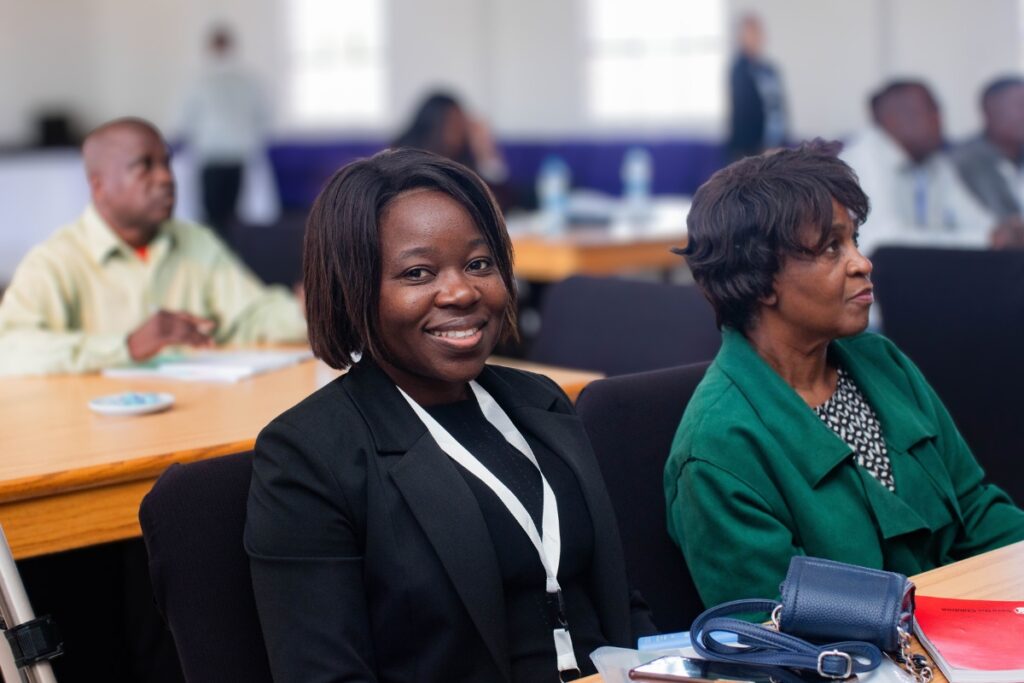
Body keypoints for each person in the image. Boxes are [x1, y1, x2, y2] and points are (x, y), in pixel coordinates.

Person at [245, 148, 654, 682]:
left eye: (479, 264)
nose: (461, 291)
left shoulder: (541, 403)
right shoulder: (308, 456)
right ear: (354, 291)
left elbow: (621, 600)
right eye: (418, 273)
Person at [664, 142, 1024, 609]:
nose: (862, 262)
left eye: (854, 239)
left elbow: (975, 510)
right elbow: (773, 627)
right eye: (832, 247)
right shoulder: (717, 447)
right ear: (761, 279)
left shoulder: (879, 361)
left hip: (968, 635)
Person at [0, 117, 305, 376]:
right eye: (144, 167)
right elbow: (10, 350)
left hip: (193, 426)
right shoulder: (55, 261)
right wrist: (128, 346)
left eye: (166, 163)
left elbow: (249, 317)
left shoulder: (196, 241)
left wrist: (307, 313)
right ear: (99, 186)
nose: (165, 178)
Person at [839, 80, 1011, 256]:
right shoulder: (861, 160)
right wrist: (986, 239)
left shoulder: (936, 161)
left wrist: (1003, 233)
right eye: (929, 112)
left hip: (922, 272)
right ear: (891, 120)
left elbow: (979, 223)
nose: (939, 120)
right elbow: (881, 243)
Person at [180, 26, 269, 237]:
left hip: (232, 158)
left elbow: (185, 122)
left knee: (226, 216)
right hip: (213, 158)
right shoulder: (200, 83)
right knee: (217, 216)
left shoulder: (246, 82)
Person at [392, 91, 516, 209]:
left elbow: (499, 205)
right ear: (434, 125)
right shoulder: (402, 158)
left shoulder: (463, 159)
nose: (461, 131)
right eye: (453, 123)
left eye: (462, 124)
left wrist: (485, 149)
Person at [953, 76, 1024, 221]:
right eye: (1020, 106)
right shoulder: (964, 160)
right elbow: (1008, 220)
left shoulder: (1017, 155)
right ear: (990, 109)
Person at [727, 14, 788, 160]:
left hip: (775, 143)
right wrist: (759, 147)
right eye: (750, 33)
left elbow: (779, 107)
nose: (756, 37)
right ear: (741, 37)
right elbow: (743, 113)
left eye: (758, 32)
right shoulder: (739, 69)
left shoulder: (769, 69)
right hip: (750, 148)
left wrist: (778, 141)